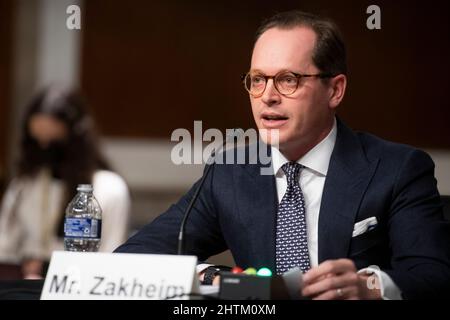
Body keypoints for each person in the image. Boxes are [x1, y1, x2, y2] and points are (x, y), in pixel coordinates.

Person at [115, 11, 450, 299]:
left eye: (288, 80)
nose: (268, 96)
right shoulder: (230, 173)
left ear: (335, 90)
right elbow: (133, 257)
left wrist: (370, 288)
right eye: (257, 80)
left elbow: (432, 277)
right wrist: (214, 278)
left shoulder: (397, 169)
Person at [0, 84, 130, 279]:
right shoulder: (24, 184)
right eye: (37, 141)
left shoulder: (109, 188)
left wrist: (48, 270)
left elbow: (111, 257)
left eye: (52, 142)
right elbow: (5, 247)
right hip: (24, 285)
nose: (44, 148)